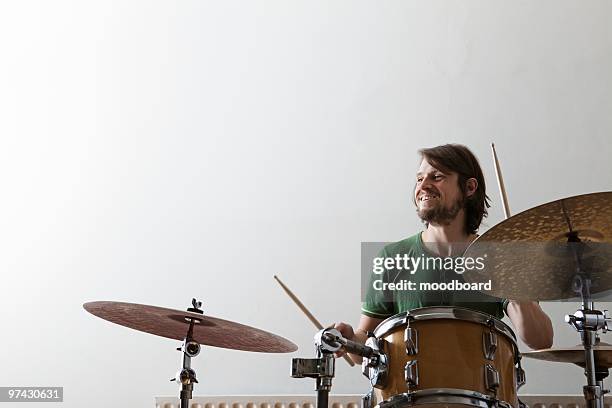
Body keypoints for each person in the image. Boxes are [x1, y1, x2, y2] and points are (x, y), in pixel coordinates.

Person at [336, 144, 553, 363]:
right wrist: (349, 339)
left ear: (469, 188)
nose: (423, 186)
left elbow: (540, 339)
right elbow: (361, 350)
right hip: (411, 394)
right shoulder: (392, 257)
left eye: (437, 177)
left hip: (479, 393)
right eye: (419, 179)